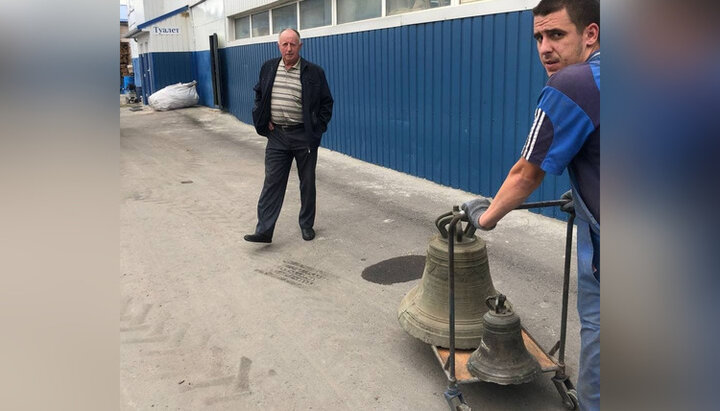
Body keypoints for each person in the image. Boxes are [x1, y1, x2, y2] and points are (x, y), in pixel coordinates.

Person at [462, 0, 600, 409]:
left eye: (556, 34)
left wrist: (485, 218)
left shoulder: (573, 84)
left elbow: (526, 174)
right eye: (539, 37)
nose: (544, 47)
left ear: (590, 34)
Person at [244, 28, 334, 243]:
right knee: (272, 182)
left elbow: (326, 103)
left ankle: (306, 225)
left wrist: (317, 127)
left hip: (304, 135)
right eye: (284, 44)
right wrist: (262, 116)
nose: (289, 48)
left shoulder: (314, 72)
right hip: (278, 136)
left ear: (300, 46)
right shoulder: (268, 68)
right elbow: (260, 93)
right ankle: (264, 231)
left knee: (307, 182)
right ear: (278, 46)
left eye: (293, 44)